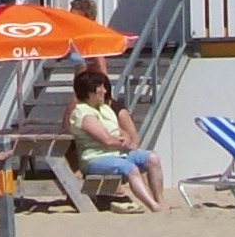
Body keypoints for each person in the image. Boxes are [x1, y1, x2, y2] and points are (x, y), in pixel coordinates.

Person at [69, 66, 164, 211]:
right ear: (90, 92)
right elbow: (106, 140)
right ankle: (153, 205)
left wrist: (125, 137)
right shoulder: (82, 113)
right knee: (130, 168)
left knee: (152, 158)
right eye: (101, 88)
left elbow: (121, 132)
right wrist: (121, 142)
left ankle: (160, 201)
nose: (105, 91)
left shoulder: (104, 108)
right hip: (95, 159)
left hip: (117, 153)